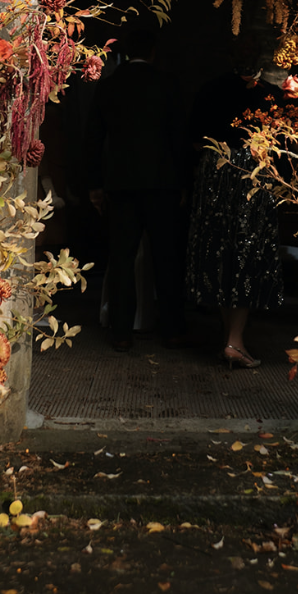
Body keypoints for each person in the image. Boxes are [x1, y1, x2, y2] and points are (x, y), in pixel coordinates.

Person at [85, 29, 188, 352]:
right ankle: (172, 330)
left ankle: (121, 332)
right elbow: (179, 137)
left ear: (127, 52)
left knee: (122, 257)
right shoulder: (168, 84)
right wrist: (184, 182)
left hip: (121, 182)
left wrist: (94, 184)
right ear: (153, 51)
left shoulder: (109, 86)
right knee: (166, 257)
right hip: (161, 182)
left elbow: (93, 138)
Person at [186, 58, 285, 369]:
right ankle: (234, 341)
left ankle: (230, 339)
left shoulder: (210, 89)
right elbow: (282, 143)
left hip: (215, 171)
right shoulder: (270, 94)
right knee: (246, 251)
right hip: (251, 173)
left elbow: (194, 140)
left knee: (220, 251)